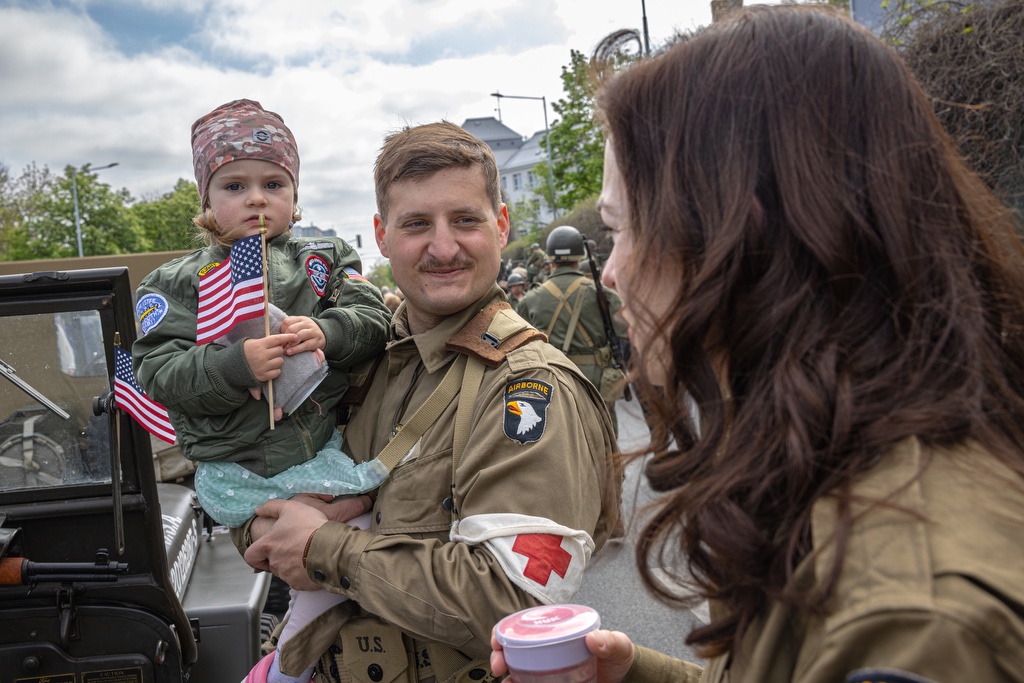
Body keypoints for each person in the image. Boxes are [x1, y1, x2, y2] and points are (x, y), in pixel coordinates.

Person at [489, 6, 1024, 682]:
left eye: (622, 229)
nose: (612, 272)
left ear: (736, 238)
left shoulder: (910, 621)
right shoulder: (835, 456)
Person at [242, 120, 621, 683]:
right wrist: (269, 526)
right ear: (381, 235)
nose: (443, 248)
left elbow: (515, 601)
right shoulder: (358, 363)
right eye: (417, 224)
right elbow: (246, 476)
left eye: (465, 220)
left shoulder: (527, 387)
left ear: (501, 225)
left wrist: (324, 547)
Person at [132, 99, 392, 683]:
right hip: (239, 471)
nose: (256, 199)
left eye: (274, 184)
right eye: (234, 185)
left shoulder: (324, 258)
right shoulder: (174, 285)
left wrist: (328, 332)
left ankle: (291, 658)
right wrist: (234, 366)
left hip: (319, 453)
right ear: (206, 200)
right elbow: (157, 372)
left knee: (355, 549)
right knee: (346, 548)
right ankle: (288, 666)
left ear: (295, 197)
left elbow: (373, 317)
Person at [519, 226, 628, 414]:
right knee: (602, 431)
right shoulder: (603, 294)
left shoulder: (530, 300)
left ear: (550, 258)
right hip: (596, 381)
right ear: (580, 256)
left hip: (552, 379)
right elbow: (626, 335)